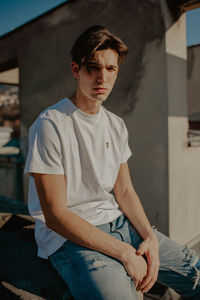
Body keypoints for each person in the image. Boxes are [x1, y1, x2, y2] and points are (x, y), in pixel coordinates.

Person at [24, 25, 200, 300]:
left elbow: (125, 191)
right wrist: (123, 254)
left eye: (111, 69)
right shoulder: (51, 124)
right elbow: (55, 215)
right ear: (75, 69)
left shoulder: (115, 125)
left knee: (197, 275)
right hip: (71, 239)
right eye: (93, 67)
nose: (102, 77)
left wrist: (149, 237)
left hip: (119, 224)